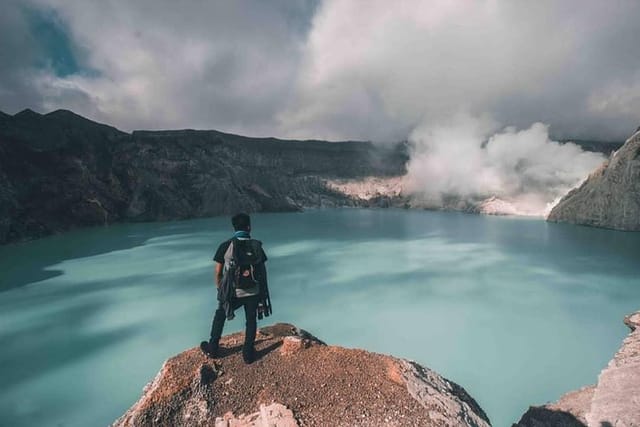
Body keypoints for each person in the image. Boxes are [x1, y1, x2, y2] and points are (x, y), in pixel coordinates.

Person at [200, 213, 271, 364]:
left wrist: (221, 290)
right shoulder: (257, 246)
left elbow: (218, 272)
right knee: (251, 320)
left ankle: (213, 348)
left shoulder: (226, 246)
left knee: (220, 314)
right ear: (249, 227)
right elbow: (262, 272)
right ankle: (248, 354)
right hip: (253, 291)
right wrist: (262, 293)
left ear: (234, 228)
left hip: (234, 292)